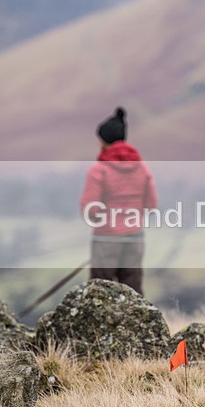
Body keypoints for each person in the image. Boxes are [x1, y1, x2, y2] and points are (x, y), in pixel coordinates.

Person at [80, 107, 158, 295]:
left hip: (105, 237)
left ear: (103, 141)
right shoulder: (142, 168)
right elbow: (152, 204)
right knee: (133, 291)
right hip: (135, 237)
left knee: (100, 292)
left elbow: (89, 209)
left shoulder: (99, 170)